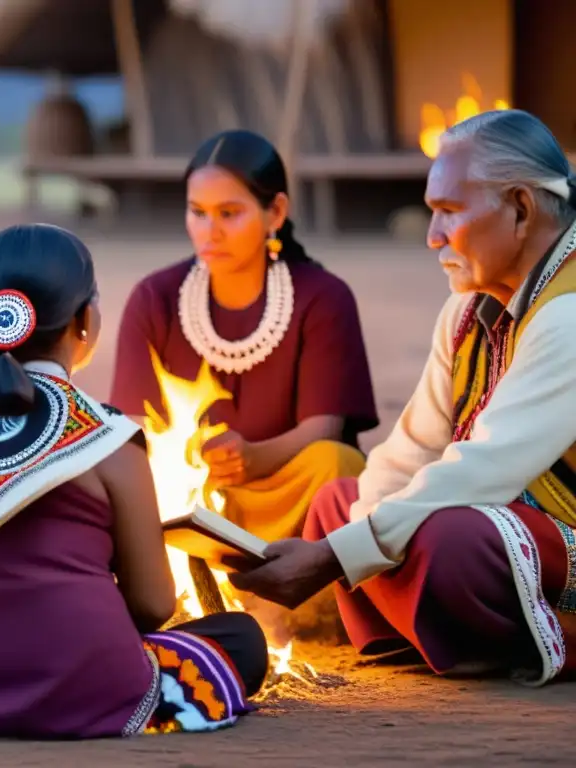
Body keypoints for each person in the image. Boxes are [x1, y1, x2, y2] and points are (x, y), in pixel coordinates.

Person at [0, 224, 270, 738]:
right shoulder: (113, 443)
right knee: (241, 638)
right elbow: (154, 605)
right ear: (85, 321)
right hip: (74, 692)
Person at [229, 110, 576, 685]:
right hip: (498, 504)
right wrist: (347, 538)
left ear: (520, 207)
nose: (431, 235)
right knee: (338, 502)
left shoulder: (567, 314)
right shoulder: (467, 306)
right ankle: (437, 628)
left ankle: (489, 632)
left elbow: (482, 469)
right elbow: (415, 448)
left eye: (449, 212)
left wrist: (337, 558)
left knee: (449, 543)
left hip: (545, 526)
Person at [110, 130, 378, 542]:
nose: (209, 231)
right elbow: (132, 429)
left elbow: (323, 429)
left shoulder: (323, 297)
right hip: (188, 505)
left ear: (275, 213)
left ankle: (301, 595)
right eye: (197, 212)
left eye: (229, 213)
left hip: (289, 503)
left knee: (337, 464)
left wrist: (252, 460)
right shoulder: (155, 299)